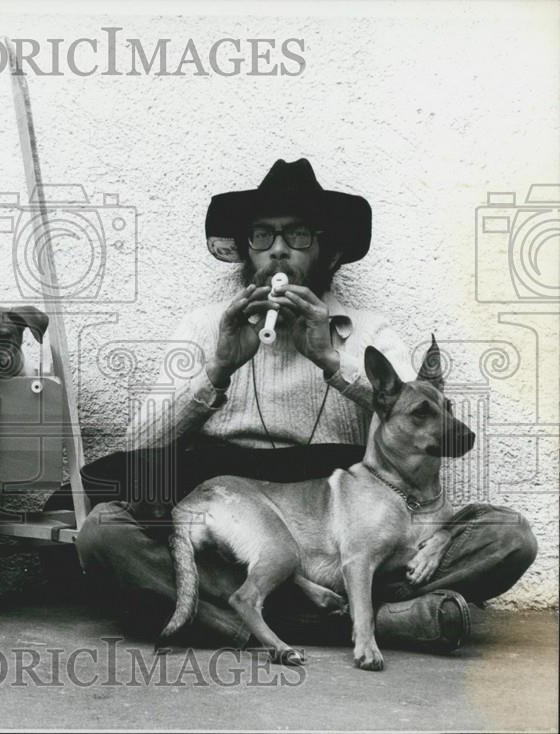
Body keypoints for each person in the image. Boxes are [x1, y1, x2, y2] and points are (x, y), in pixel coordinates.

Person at [64, 159, 538, 650]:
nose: (278, 250)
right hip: (231, 518)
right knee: (102, 533)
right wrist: (218, 369)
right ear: (247, 254)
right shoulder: (206, 326)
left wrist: (332, 362)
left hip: (342, 525)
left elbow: (413, 422)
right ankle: (379, 622)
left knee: (508, 537)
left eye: (298, 236)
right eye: (262, 236)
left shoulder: (369, 332)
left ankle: (244, 622)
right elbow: (139, 442)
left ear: (328, 253)